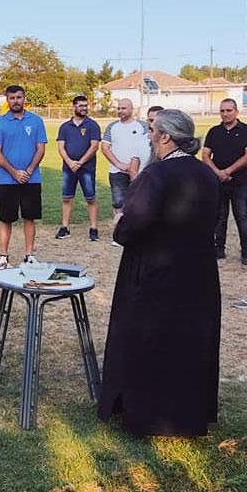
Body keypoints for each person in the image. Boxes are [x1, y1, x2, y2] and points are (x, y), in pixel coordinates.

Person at [98, 109, 220, 437]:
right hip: (198, 273)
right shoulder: (206, 174)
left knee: (151, 339)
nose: (149, 136)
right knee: (187, 343)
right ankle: (186, 415)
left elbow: (132, 225)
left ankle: (149, 416)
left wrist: (119, 225)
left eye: (152, 130)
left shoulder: (156, 175)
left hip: (156, 272)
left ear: (165, 136)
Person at [0, 85, 47, 269]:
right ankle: (3, 256)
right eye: (12, 98)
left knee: (29, 217)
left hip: (32, 179)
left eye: (19, 97)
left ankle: (29, 255)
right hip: (6, 180)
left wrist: (28, 171)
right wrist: (14, 172)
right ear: (7, 100)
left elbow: (41, 149)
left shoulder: (36, 121)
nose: (16, 101)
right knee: (6, 219)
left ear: (24, 98)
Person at [203, 98, 247, 263]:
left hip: (241, 182)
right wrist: (218, 172)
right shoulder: (214, 132)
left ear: (236, 111)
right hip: (218, 182)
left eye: (229, 110)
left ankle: (246, 252)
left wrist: (228, 171)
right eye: (222, 111)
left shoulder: (245, 130)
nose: (225, 114)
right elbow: (205, 155)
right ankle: (218, 250)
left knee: (242, 217)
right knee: (219, 217)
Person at [101, 99, 149, 244]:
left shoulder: (142, 126)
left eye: (124, 108)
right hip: (117, 171)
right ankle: (119, 235)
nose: (120, 111)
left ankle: (138, 233)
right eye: (119, 108)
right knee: (118, 203)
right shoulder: (112, 127)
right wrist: (119, 164)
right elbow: (105, 148)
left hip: (139, 171)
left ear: (131, 109)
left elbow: (149, 146)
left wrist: (134, 166)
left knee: (139, 203)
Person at [55, 95, 102, 242]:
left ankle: (93, 229)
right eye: (81, 105)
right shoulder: (65, 127)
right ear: (74, 106)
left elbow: (94, 146)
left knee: (90, 198)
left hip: (87, 169)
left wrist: (80, 163)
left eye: (85, 105)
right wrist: (70, 162)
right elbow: (61, 147)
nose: (84, 108)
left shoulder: (92, 125)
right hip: (68, 169)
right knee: (67, 198)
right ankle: (65, 228)